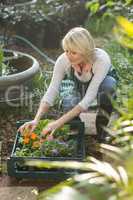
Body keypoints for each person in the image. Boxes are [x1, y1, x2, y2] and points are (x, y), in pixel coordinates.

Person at [19, 27, 117, 142]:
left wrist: (57, 123)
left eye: (74, 52)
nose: (68, 56)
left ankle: (101, 130)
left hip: (101, 86)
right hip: (80, 86)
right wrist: (36, 119)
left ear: (85, 51)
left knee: (108, 88)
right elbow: (52, 90)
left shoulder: (101, 60)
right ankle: (76, 134)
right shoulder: (63, 60)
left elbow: (88, 98)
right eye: (66, 50)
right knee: (69, 103)